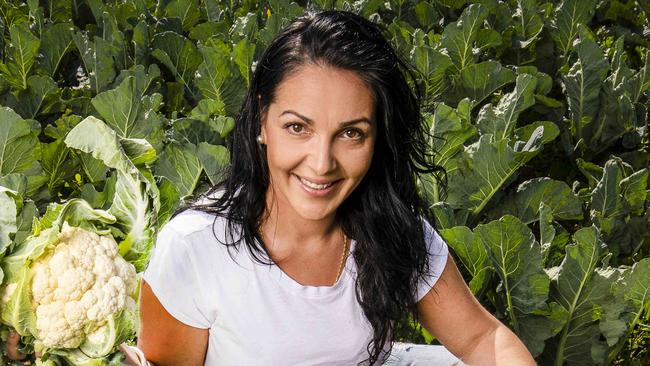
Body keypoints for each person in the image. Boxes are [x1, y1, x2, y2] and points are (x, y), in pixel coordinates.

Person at [7, 10, 536, 366]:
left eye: (351, 133)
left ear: (378, 140)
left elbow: (481, 337)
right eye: (297, 127)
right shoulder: (196, 249)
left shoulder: (392, 229)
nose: (321, 163)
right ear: (262, 122)